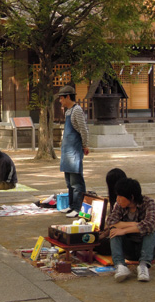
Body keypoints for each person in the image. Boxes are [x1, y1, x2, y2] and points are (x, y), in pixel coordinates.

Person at [107, 178, 155, 282]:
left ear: (131, 197)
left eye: (121, 196)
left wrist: (124, 230)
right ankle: (120, 266)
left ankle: (143, 266)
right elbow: (110, 221)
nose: (117, 199)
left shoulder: (148, 202)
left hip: (146, 248)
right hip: (128, 248)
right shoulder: (119, 205)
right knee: (114, 230)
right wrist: (133, 224)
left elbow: (150, 224)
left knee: (151, 230)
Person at [57, 85, 89, 218]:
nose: (60, 101)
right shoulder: (67, 112)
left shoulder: (77, 110)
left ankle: (78, 207)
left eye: (62, 98)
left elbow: (83, 129)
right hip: (66, 151)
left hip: (74, 150)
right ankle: (71, 205)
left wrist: (85, 145)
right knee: (69, 181)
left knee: (77, 182)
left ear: (68, 97)